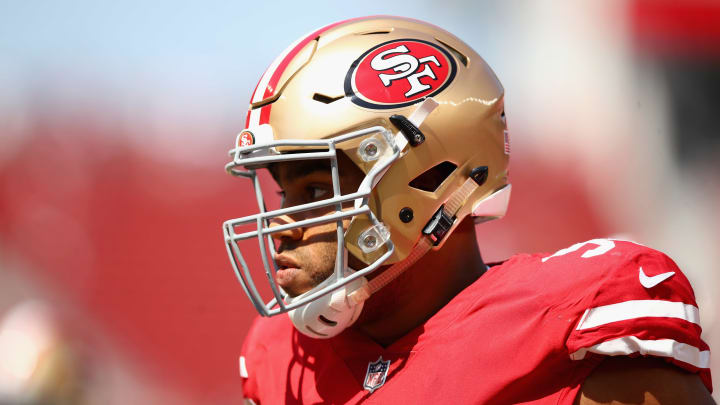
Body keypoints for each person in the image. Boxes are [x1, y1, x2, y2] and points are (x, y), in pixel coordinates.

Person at [222, 16, 713, 404]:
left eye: (314, 192)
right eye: (285, 195)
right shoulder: (282, 358)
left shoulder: (569, 330)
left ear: (425, 181)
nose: (281, 226)